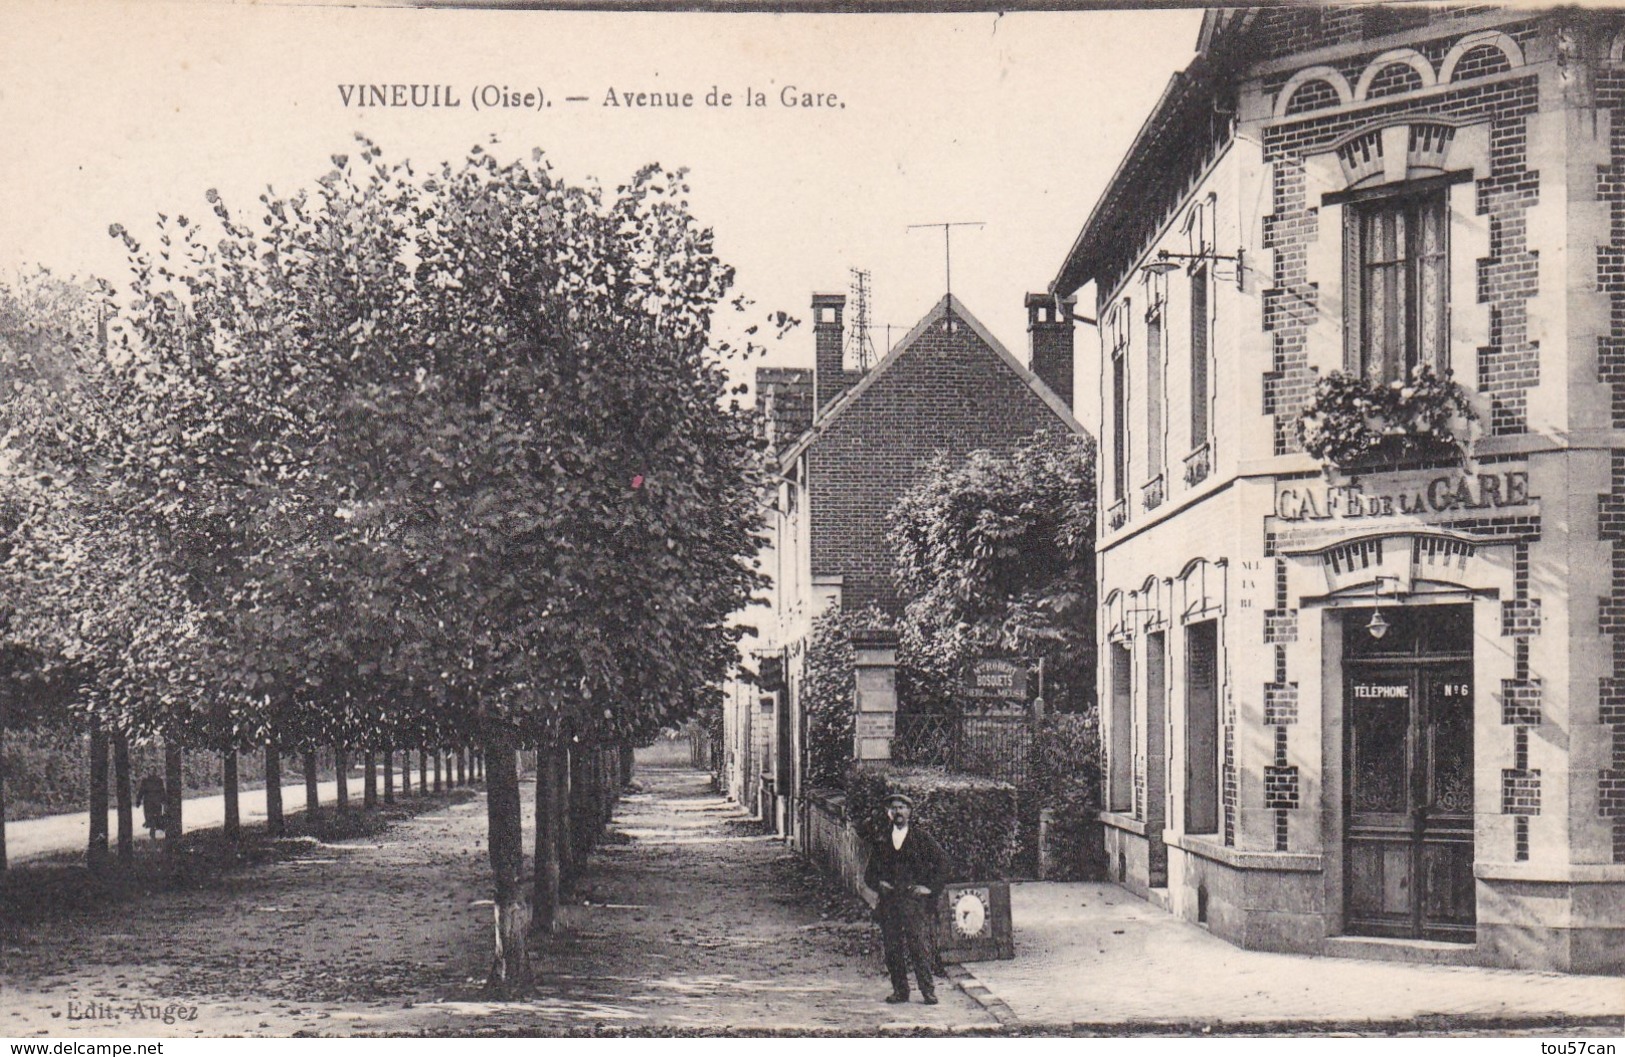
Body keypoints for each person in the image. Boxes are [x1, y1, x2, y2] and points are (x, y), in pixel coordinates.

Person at [863, 791, 948, 1005]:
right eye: (894, 808)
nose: (898, 812)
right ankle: (900, 991)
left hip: (913, 902)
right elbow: (869, 874)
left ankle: (928, 991)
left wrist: (929, 888)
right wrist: (878, 883)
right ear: (888, 813)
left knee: (919, 946)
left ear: (909, 811)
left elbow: (943, 865)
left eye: (902, 807)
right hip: (889, 902)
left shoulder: (921, 838)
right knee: (892, 948)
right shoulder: (882, 839)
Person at [135, 774, 167, 838]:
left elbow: (162, 791)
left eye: (153, 770)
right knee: (150, 817)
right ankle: (152, 829)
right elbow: (141, 791)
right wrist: (138, 800)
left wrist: (164, 800)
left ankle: (154, 828)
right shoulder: (145, 781)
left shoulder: (159, 781)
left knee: (156, 816)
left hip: (156, 802)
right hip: (148, 803)